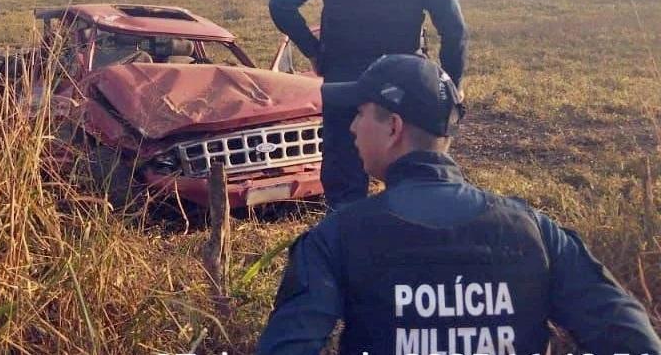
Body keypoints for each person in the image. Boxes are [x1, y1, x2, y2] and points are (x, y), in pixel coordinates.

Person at [257, 54, 661, 355]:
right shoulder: (534, 231)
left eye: (360, 113)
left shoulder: (336, 237)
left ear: (393, 127)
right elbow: (630, 336)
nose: (351, 126)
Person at [269, 0, 467, 208]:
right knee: (418, 181)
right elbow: (454, 28)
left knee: (344, 190)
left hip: (346, 82)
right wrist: (450, 87)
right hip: (408, 84)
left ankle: (349, 236)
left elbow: (280, 4)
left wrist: (314, 51)